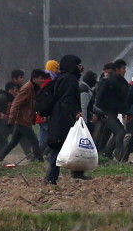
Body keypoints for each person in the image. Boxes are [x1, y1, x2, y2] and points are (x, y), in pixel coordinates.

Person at [44, 55, 90, 185]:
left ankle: (73, 173)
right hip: (63, 119)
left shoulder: (63, 78)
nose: (80, 67)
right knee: (59, 148)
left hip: (60, 116)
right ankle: (51, 178)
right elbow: (68, 99)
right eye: (78, 64)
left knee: (64, 147)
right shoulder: (70, 79)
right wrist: (76, 112)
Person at [0, 69, 46, 162]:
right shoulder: (27, 88)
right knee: (34, 141)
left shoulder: (33, 87)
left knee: (13, 142)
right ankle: (40, 162)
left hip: (22, 120)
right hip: (22, 121)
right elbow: (16, 104)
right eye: (41, 78)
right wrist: (11, 121)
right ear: (34, 79)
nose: (43, 80)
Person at [93, 59, 129, 161]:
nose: (125, 71)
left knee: (109, 134)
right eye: (123, 68)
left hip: (112, 113)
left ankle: (105, 154)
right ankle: (118, 156)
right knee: (120, 132)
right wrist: (96, 112)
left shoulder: (122, 82)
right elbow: (99, 97)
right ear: (117, 69)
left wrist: (125, 112)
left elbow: (123, 99)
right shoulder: (108, 82)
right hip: (105, 113)